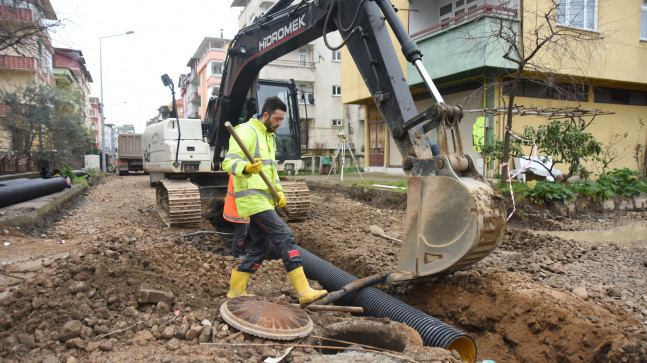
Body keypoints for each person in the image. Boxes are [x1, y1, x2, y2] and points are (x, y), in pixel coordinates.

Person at [222, 96, 327, 304]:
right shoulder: (246, 131)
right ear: (266, 114)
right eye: (277, 119)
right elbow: (228, 162)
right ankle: (304, 291)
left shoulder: (268, 136)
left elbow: (271, 173)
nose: (280, 124)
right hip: (253, 199)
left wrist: (279, 193)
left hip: (266, 199)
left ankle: (236, 290)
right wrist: (245, 168)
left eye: (282, 120)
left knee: (261, 246)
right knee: (285, 236)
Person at [223, 173, 249, 258]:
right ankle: (237, 253)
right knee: (241, 233)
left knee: (242, 232)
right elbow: (239, 193)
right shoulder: (237, 175)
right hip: (238, 210)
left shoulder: (237, 173)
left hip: (240, 209)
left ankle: (241, 251)